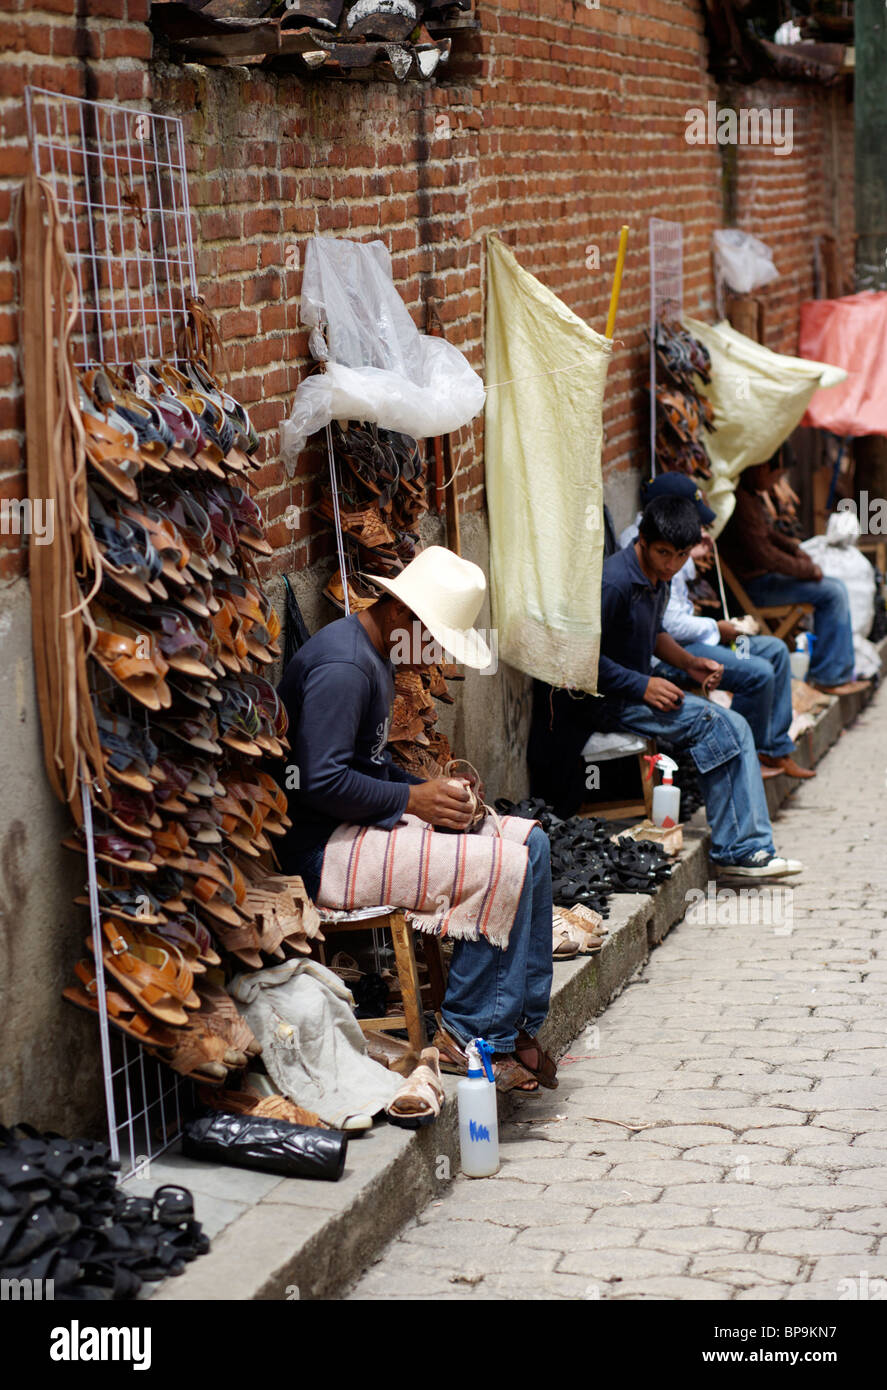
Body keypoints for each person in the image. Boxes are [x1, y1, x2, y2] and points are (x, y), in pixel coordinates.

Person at [277, 546, 556, 1094]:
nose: (434, 659)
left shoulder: (377, 653)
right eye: (436, 641)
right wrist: (413, 802)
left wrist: (431, 793)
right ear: (405, 615)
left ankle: (513, 1025)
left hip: (356, 825)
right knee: (500, 863)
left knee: (534, 844)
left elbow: (369, 766)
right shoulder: (345, 667)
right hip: (318, 849)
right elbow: (318, 782)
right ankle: (467, 1033)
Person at [600, 493, 804, 880]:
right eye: (664, 553)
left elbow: (655, 633)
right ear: (641, 540)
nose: (672, 565)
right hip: (612, 700)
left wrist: (690, 663)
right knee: (722, 724)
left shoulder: (657, 577)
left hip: (639, 689)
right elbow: (583, 662)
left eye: (680, 556)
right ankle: (740, 849)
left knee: (731, 722)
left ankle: (747, 847)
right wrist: (642, 685)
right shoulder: (615, 583)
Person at [621, 473, 814, 780]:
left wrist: (692, 557)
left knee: (775, 650)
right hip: (675, 651)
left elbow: (674, 606)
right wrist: (718, 627)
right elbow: (666, 625)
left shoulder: (671, 546)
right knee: (758, 671)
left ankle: (772, 749)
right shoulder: (645, 548)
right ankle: (745, 762)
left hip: (694, 643)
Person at [718, 460, 868, 696]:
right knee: (832, 592)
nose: (776, 483)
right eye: (777, 476)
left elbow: (770, 537)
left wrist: (797, 551)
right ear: (761, 469)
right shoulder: (740, 502)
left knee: (834, 587)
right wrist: (807, 569)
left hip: (763, 580)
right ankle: (829, 675)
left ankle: (832, 672)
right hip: (754, 587)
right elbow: (766, 556)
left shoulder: (749, 497)